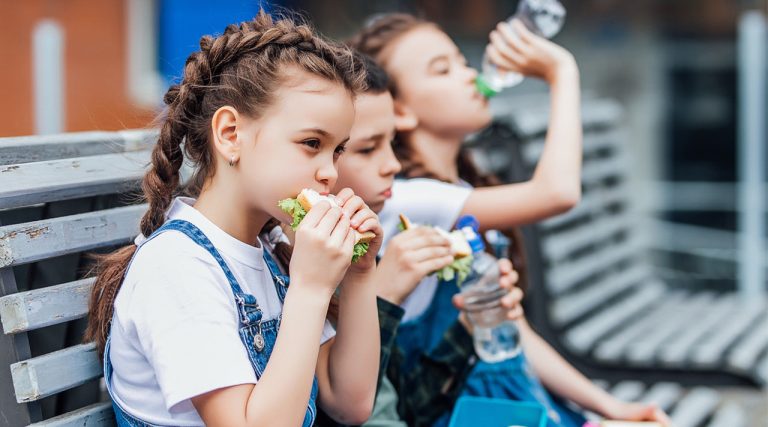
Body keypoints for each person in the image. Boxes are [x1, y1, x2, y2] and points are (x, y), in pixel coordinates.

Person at [350, 13, 670, 427]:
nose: (469, 75)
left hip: (516, 401)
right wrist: (561, 73)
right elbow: (558, 193)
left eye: (462, 62)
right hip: (470, 412)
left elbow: (510, 326)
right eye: (442, 69)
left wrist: (609, 407)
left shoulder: (458, 186)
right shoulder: (408, 200)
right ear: (401, 112)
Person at [85, 12, 381, 426]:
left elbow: (350, 402)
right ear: (229, 134)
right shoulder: (177, 268)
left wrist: (360, 274)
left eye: (336, 150)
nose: (330, 171)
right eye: (311, 143)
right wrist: (310, 288)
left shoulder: (270, 252)